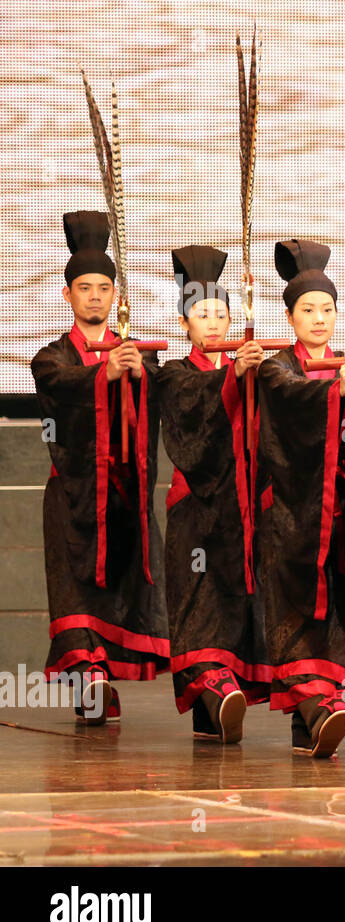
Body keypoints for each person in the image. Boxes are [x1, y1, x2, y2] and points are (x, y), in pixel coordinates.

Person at [31, 211, 169, 723]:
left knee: (120, 585)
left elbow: (157, 399)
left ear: (115, 297)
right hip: (71, 496)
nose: (94, 296)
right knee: (73, 585)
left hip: (124, 494)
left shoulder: (138, 354)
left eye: (103, 288)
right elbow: (60, 389)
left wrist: (136, 377)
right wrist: (103, 375)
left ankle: (104, 670)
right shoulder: (51, 357)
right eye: (84, 288)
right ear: (67, 295)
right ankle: (88, 674)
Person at [255, 238, 345, 758]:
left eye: (327, 309)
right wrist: (336, 390)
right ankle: (313, 704)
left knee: (339, 610)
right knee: (295, 609)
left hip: (342, 510)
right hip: (292, 511)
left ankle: (316, 710)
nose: (318, 319)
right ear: (290, 317)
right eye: (307, 310)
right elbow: (290, 403)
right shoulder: (277, 369)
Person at [157, 244, 268, 742]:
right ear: (185, 324)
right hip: (196, 508)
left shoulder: (255, 367)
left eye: (221, 313)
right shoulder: (175, 374)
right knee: (196, 596)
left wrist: (255, 375)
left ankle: (219, 701)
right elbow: (191, 416)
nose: (214, 322)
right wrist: (232, 377)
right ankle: (213, 687)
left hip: (243, 508)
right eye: (202, 314)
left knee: (232, 602)